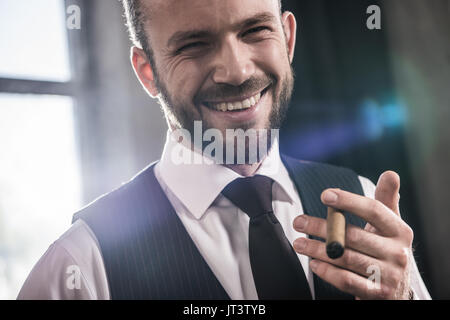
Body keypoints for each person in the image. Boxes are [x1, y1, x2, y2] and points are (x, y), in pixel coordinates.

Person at [18, 0, 431, 300]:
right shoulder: (78, 267)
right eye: (193, 45)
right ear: (149, 73)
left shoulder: (360, 203)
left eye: (255, 31)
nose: (236, 71)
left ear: (287, 38)